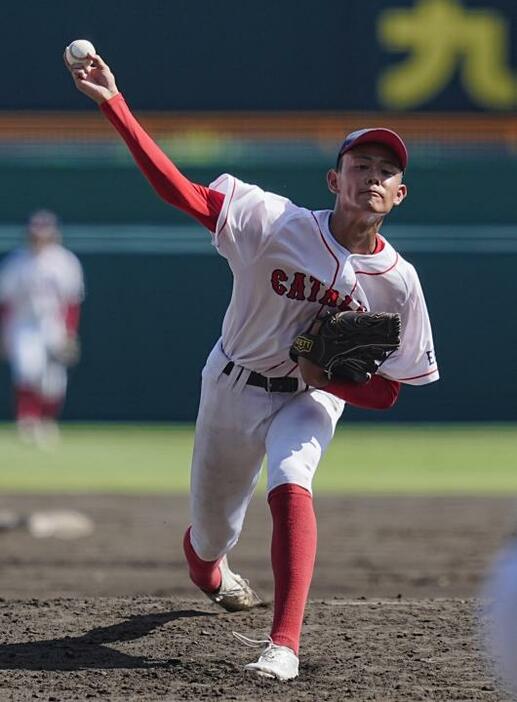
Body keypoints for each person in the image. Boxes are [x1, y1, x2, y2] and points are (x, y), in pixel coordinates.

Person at [65, 53, 439, 681]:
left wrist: (331, 381)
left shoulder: (399, 283)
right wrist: (114, 104)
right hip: (233, 385)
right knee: (208, 540)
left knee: (292, 476)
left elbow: (391, 391)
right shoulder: (275, 224)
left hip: (308, 398)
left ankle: (283, 645)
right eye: (360, 166)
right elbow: (178, 191)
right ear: (333, 180)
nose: (372, 177)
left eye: (386, 172)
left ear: (399, 195)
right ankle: (214, 571)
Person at [0, 210, 84, 446]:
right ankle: (27, 419)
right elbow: (6, 302)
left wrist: (69, 331)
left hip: (52, 323)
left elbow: (72, 301)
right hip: (24, 323)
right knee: (28, 370)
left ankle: (46, 421)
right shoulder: (17, 262)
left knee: (54, 381)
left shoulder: (65, 262)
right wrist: (4, 333)